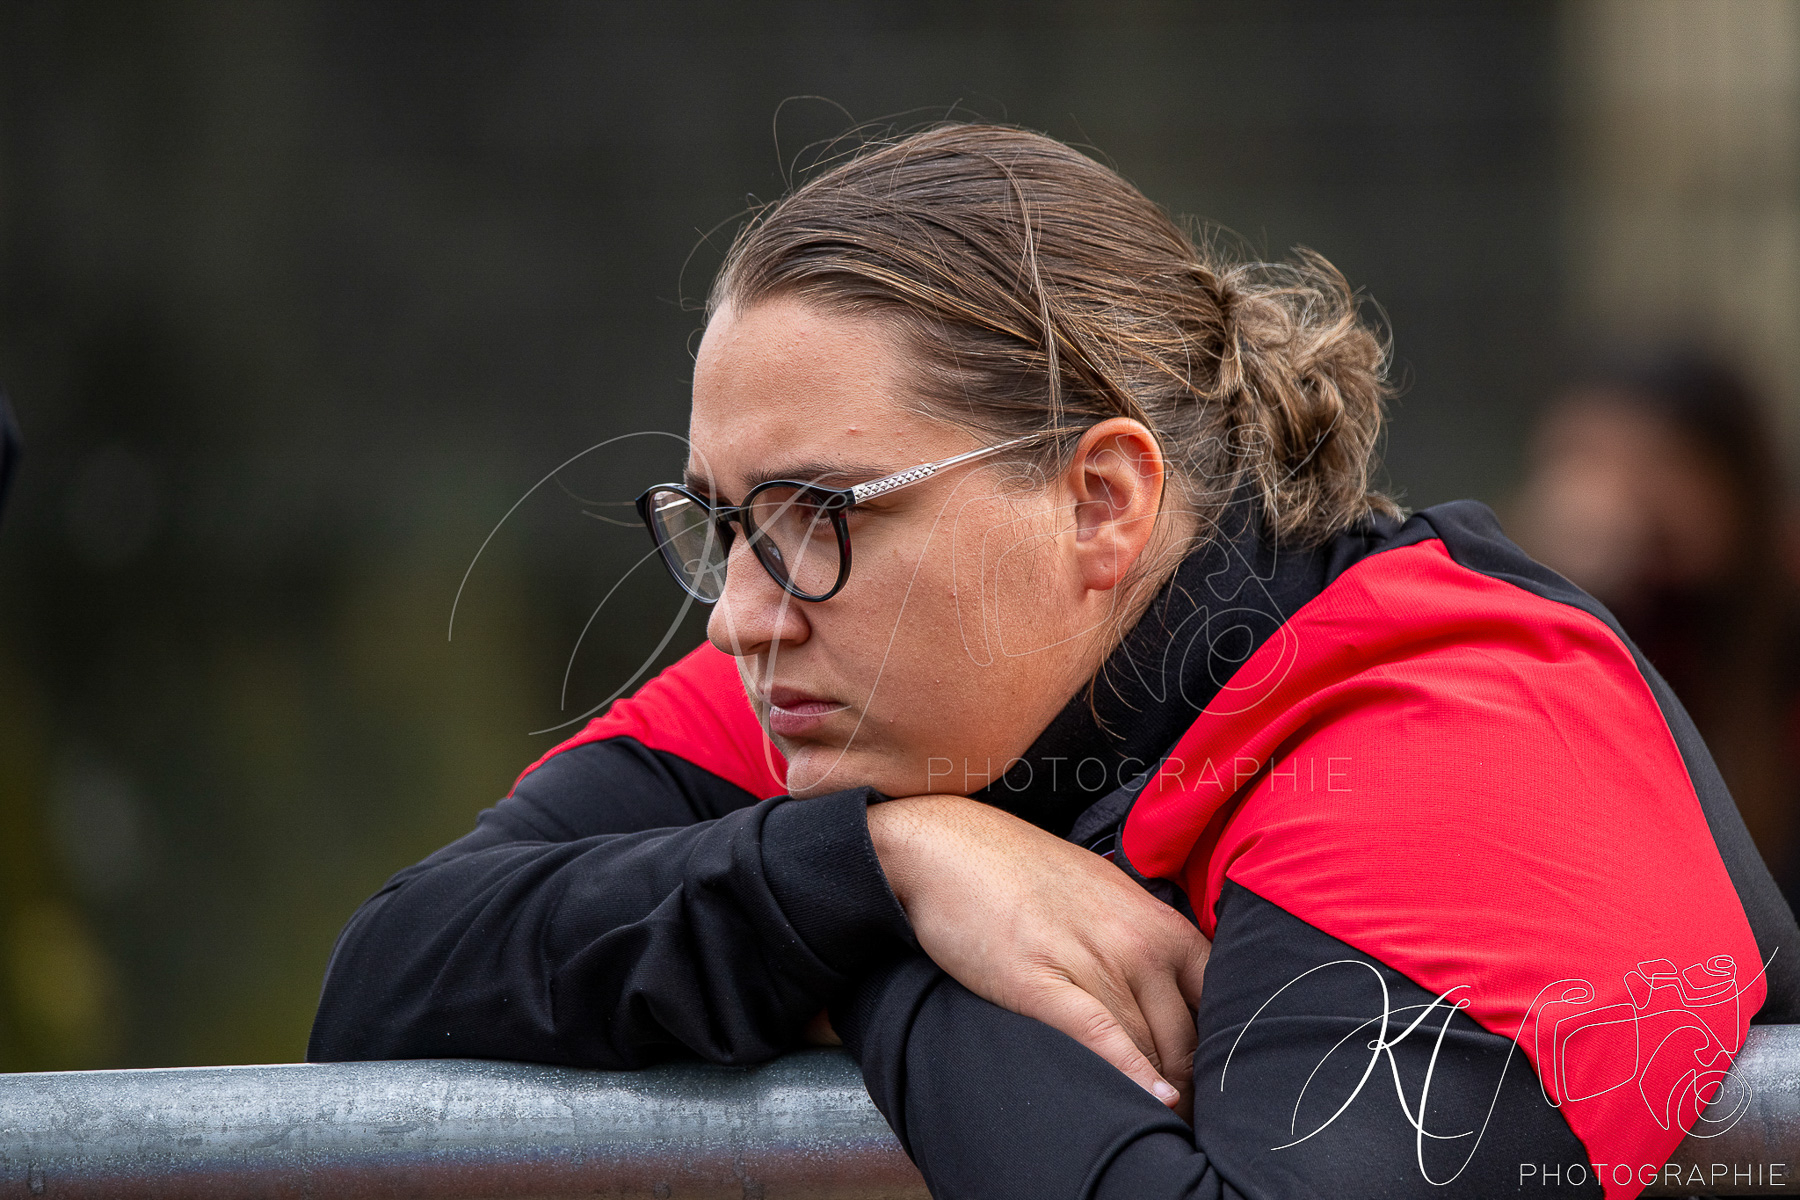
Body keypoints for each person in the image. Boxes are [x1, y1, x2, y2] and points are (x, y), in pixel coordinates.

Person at [310, 125, 1800, 1198]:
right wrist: (888, 866)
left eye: (822, 512)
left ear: (1101, 502)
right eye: (721, 524)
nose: (739, 613)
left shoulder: (1457, 728)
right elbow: (387, 988)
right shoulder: (857, 701)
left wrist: (868, 947)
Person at [1510, 351, 1800, 909]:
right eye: (1578, 465)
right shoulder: (1549, 619)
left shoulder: (1769, 634)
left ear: (1734, 479)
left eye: (1655, 466)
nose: (1612, 506)